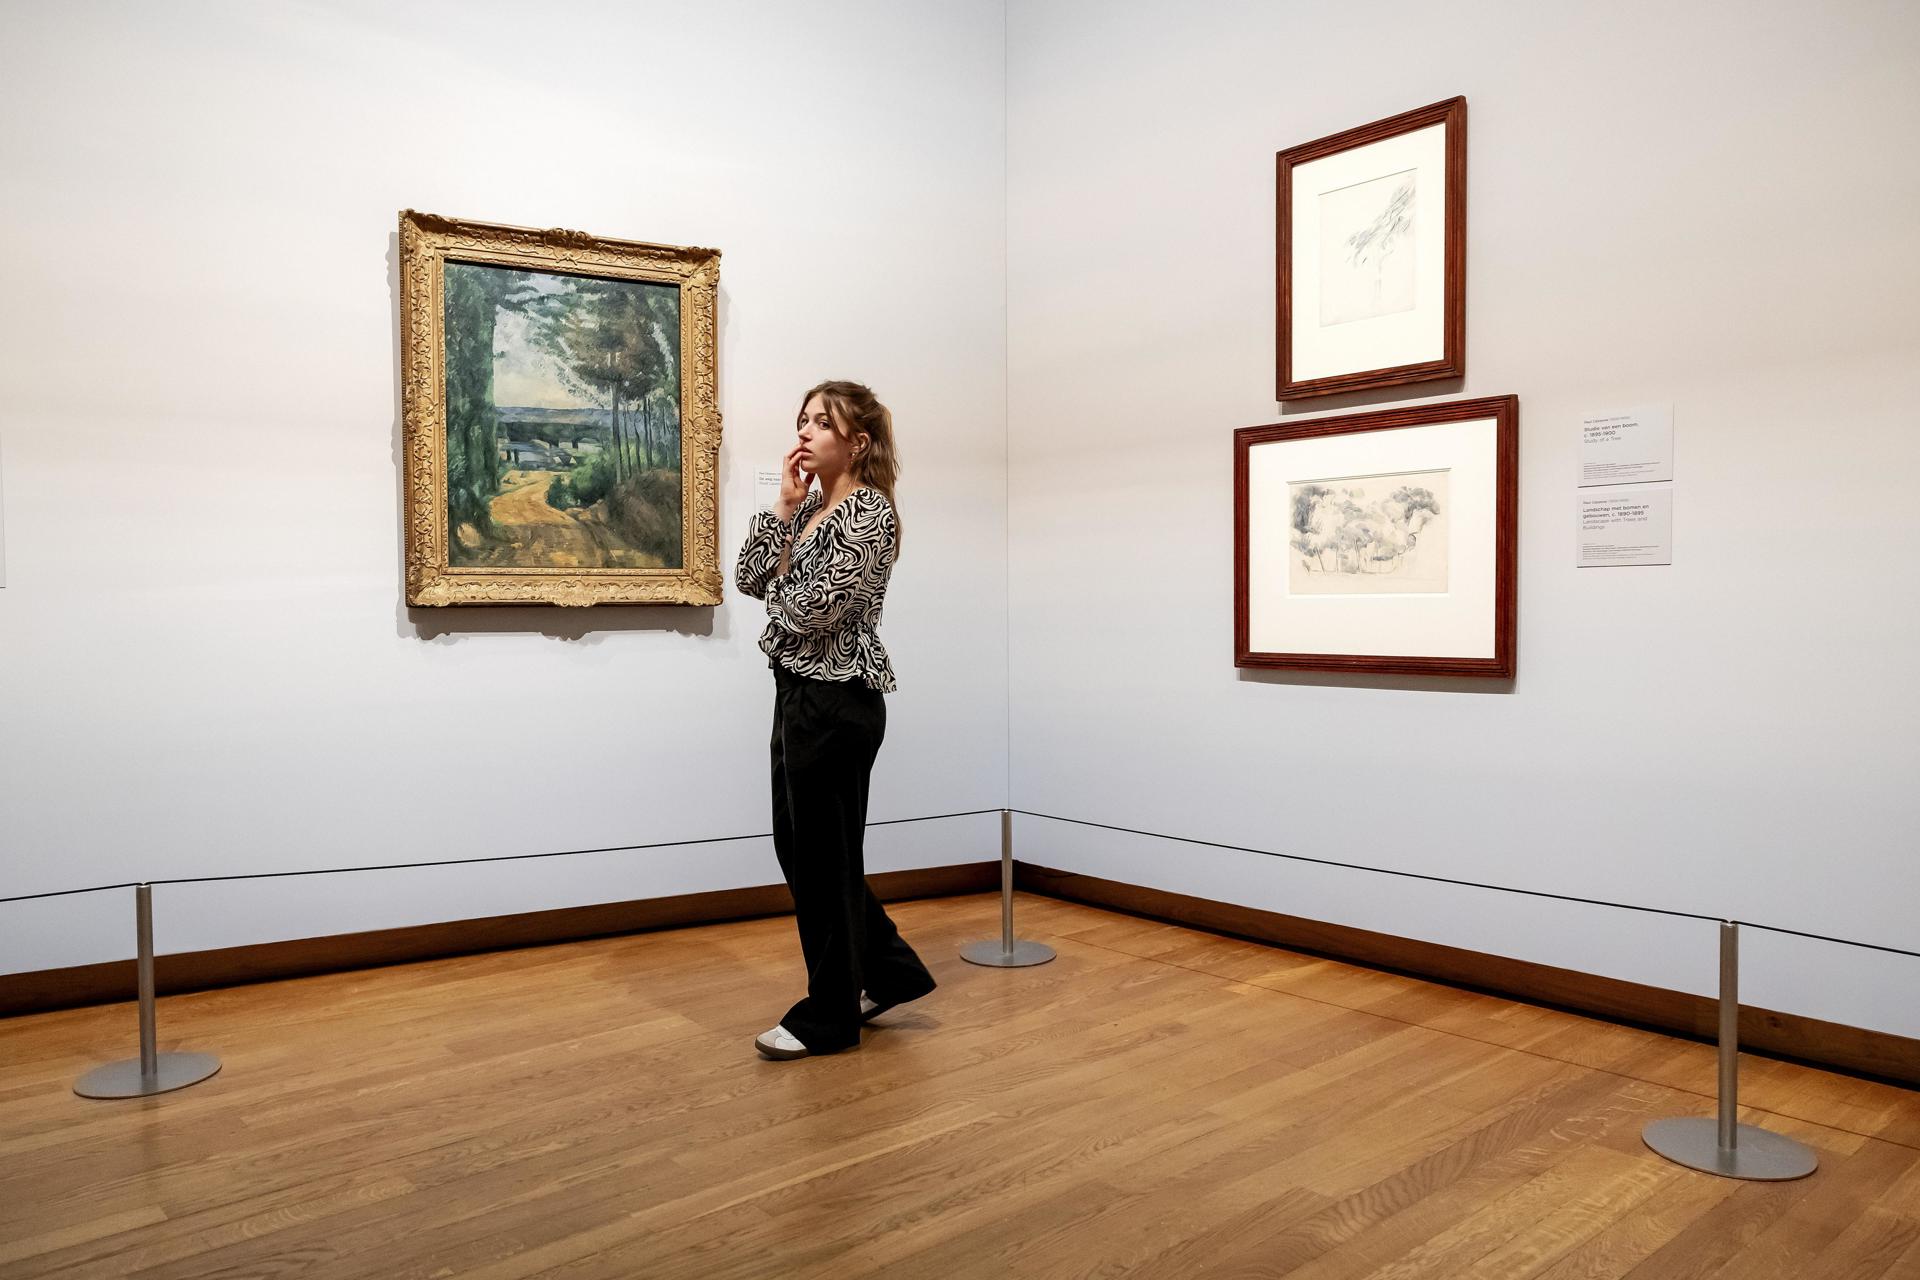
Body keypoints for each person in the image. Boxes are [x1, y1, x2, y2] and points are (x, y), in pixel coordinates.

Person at [734, 380, 937, 1061]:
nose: (805, 432)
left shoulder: (868, 514)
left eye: (823, 422)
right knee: (806, 851)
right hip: (796, 693)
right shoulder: (813, 508)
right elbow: (747, 577)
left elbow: (804, 611)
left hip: (838, 701)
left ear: (859, 440)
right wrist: (784, 510)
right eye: (802, 420)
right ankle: (889, 972)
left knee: (821, 857)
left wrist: (782, 576)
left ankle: (831, 1014)